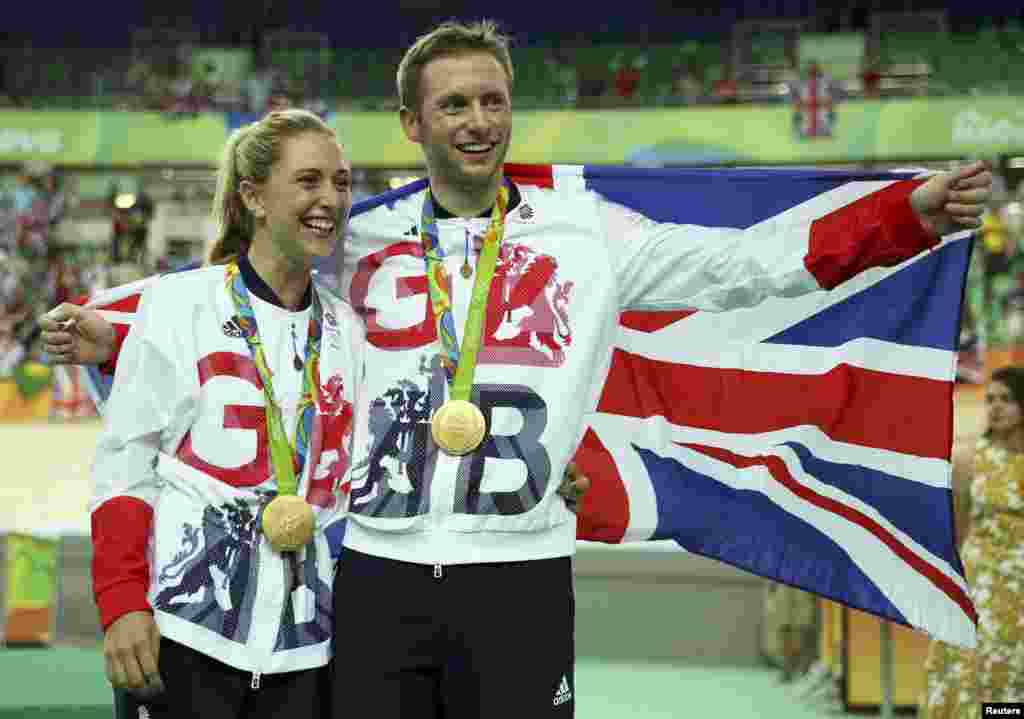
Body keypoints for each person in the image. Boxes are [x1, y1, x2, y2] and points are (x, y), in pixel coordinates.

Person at [44, 19, 990, 719]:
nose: (477, 120)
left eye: (493, 100)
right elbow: (237, 294)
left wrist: (902, 214)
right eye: (453, 103)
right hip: (376, 574)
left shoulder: (588, 235)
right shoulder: (358, 234)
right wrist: (111, 326)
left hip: (521, 574)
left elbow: (740, 265)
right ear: (411, 122)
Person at [85, 108, 361, 718]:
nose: (331, 199)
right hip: (183, 633)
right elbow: (125, 465)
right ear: (254, 197)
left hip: (306, 646)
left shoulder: (347, 328)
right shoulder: (177, 304)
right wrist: (122, 601)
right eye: (308, 180)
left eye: (341, 182)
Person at [919, 366, 1024, 718]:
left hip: (1021, 589)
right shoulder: (969, 460)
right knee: (977, 672)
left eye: (1006, 399)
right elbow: (958, 528)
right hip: (981, 584)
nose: (996, 407)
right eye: (990, 399)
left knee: (1014, 676)